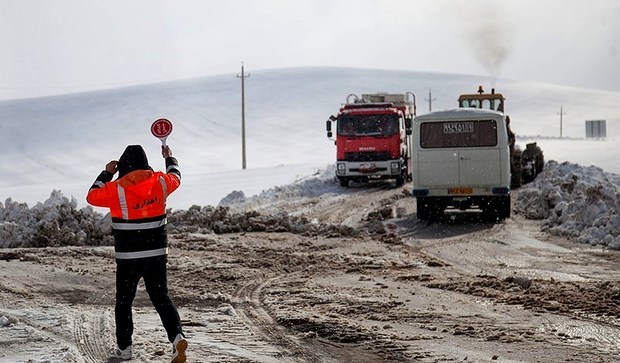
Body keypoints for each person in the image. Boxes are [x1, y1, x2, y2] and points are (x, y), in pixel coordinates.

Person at [86, 144, 187, 363]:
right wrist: (170, 158)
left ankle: (125, 349)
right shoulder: (160, 182)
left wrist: (106, 173)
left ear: (122, 165)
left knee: (124, 302)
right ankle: (177, 337)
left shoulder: (117, 189)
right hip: (157, 254)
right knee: (161, 298)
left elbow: (92, 196)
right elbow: (176, 177)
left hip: (128, 258)